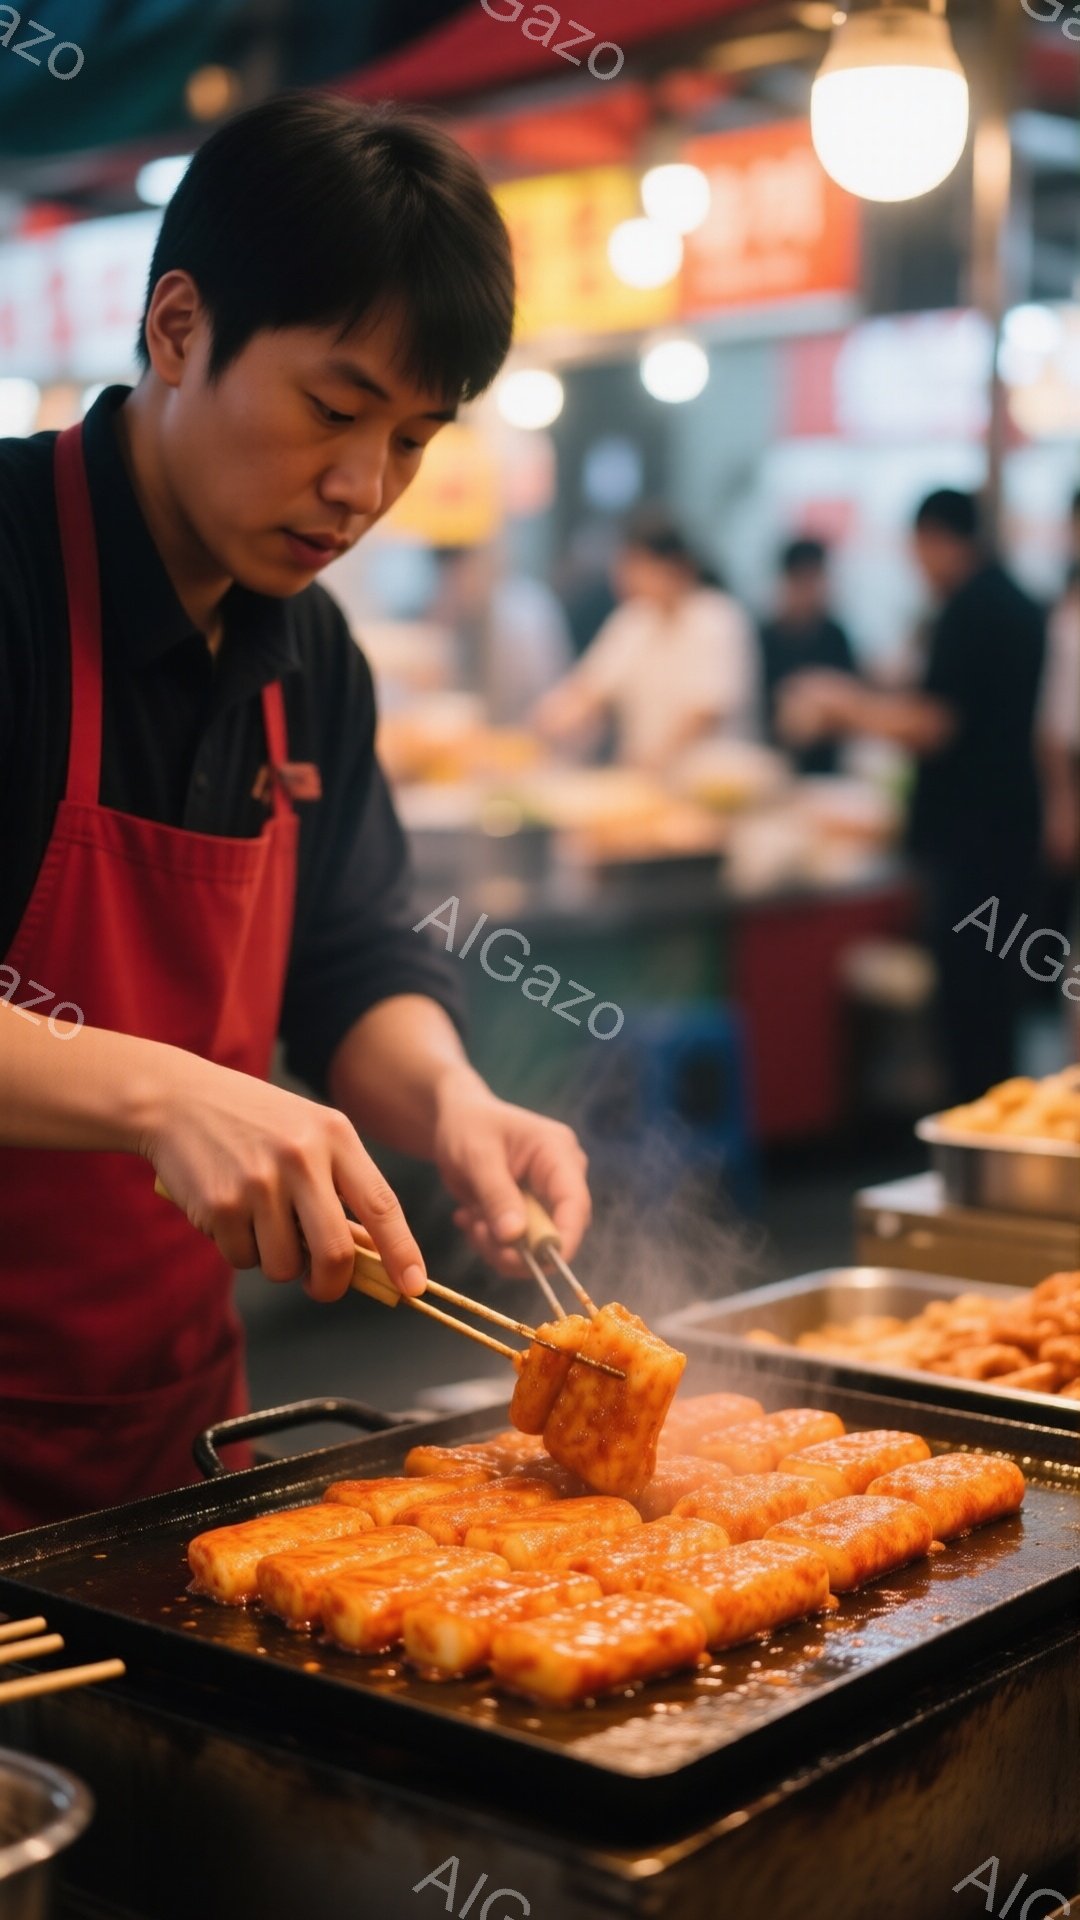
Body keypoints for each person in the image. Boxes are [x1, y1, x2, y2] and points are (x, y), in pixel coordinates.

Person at [0, 95, 590, 1534]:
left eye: (413, 439)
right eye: (333, 411)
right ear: (178, 327)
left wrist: (449, 1101)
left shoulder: (310, 654)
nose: (361, 489)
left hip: (168, 1438)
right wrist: (160, 1093)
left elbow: (346, 963)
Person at [777, 490, 1046, 1102]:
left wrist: (844, 709)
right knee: (997, 1004)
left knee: (968, 1007)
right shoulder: (1019, 602)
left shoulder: (970, 609)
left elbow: (934, 724)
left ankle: (974, 1127)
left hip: (973, 846)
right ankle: (998, 1118)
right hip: (1010, 834)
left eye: (918, 549)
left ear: (937, 540)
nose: (917, 564)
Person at [533, 511, 758, 773]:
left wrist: (652, 762)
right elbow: (588, 688)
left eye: (634, 566)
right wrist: (545, 723)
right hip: (645, 776)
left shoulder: (716, 617)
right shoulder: (634, 621)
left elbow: (706, 712)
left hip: (712, 780)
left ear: (672, 567)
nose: (623, 577)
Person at [431, 544, 573, 726]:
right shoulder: (449, 613)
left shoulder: (526, 613)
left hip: (528, 731)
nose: (457, 584)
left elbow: (553, 700)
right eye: (449, 576)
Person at [758, 537, 858, 776]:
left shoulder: (835, 636)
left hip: (828, 768)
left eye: (814, 579)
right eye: (801, 580)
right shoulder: (766, 637)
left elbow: (854, 699)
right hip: (774, 764)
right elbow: (760, 707)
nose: (809, 590)